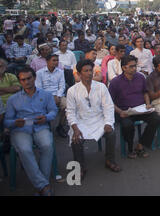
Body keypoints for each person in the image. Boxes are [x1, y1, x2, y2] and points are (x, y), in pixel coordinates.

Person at [4, 67, 58, 196]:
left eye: (29, 78)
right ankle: (43, 185)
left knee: (47, 145)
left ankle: (41, 185)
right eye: (23, 80)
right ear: (19, 81)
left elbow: (53, 111)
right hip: (21, 129)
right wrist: (15, 122)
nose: (27, 82)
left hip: (40, 126)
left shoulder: (46, 95)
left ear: (34, 78)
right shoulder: (13, 99)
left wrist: (46, 117)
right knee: (25, 149)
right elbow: (7, 121)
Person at [66, 59, 121, 176]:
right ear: (79, 74)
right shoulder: (72, 90)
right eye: (86, 71)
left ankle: (109, 160)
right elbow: (70, 112)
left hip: (99, 119)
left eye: (91, 70)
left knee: (111, 133)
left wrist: (108, 123)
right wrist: (75, 128)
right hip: (81, 120)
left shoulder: (101, 87)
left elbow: (108, 107)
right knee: (76, 138)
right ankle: (80, 166)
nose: (89, 73)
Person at [109, 55, 160, 158]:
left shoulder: (140, 77)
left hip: (140, 109)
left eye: (135, 66)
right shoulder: (115, 82)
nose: (134, 68)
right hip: (125, 111)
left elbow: (145, 93)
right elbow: (109, 102)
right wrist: (120, 112)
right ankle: (130, 148)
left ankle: (141, 145)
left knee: (156, 118)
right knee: (127, 125)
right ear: (124, 68)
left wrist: (148, 104)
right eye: (131, 66)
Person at [35, 54, 67, 138]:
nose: (56, 62)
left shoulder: (60, 72)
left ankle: (60, 126)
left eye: (57, 60)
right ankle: (44, 127)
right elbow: (39, 88)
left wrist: (58, 96)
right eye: (54, 60)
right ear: (47, 61)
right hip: (44, 96)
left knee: (67, 105)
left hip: (58, 95)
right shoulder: (39, 73)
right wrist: (50, 97)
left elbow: (62, 86)